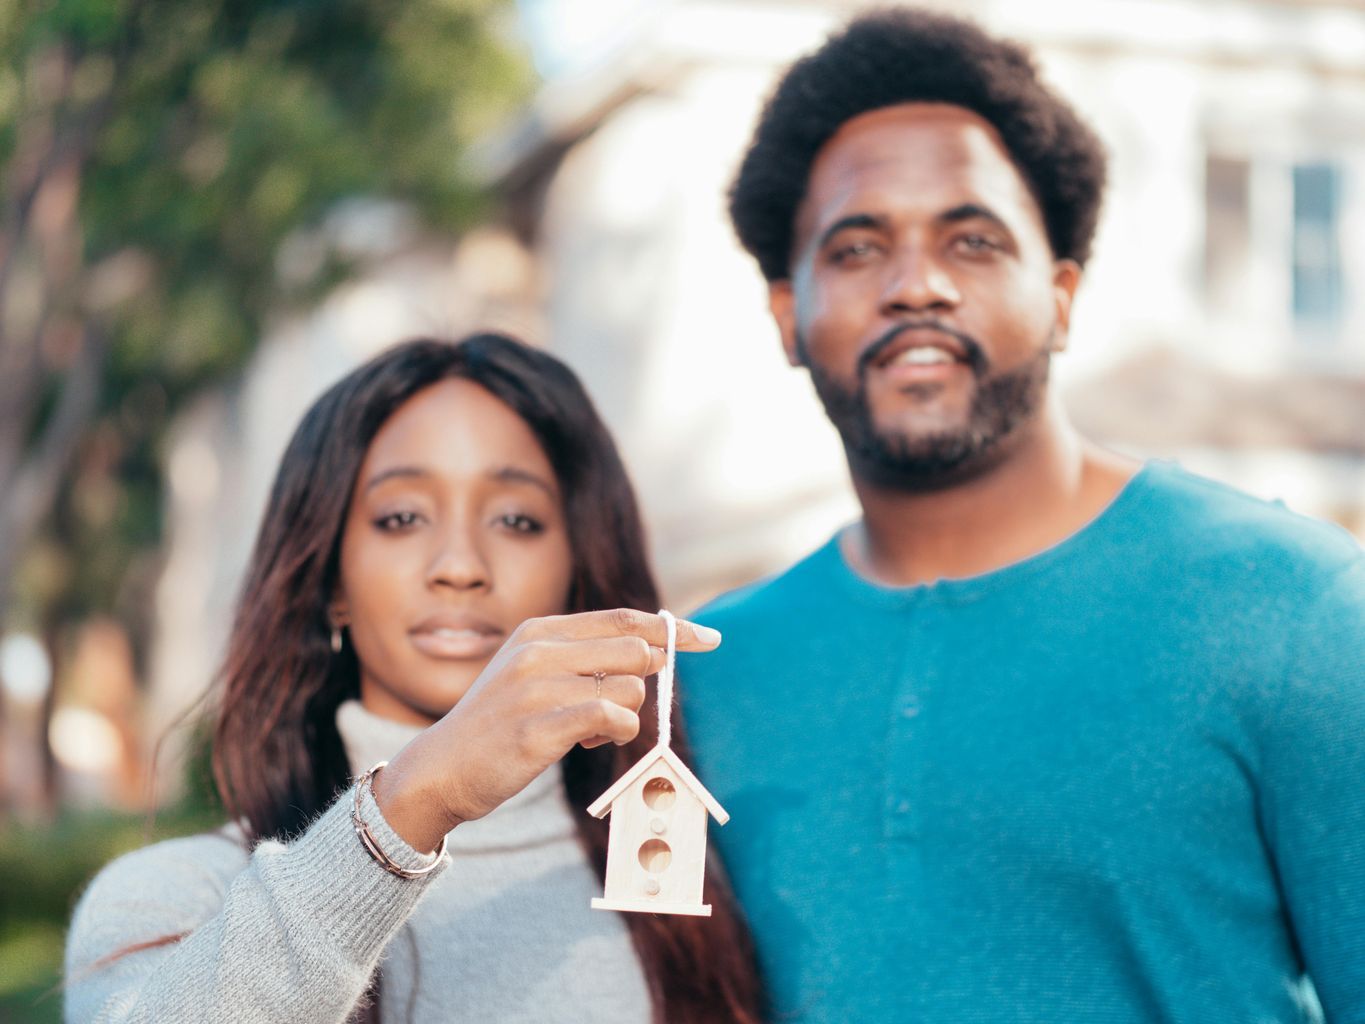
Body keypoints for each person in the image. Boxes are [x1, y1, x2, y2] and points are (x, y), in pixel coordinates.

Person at [678, 8, 1365, 1023]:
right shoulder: (708, 673)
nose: (918, 285)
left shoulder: (1297, 610)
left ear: (1062, 294)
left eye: (973, 239)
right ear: (789, 314)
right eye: (859, 248)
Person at [65, 335, 766, 1023]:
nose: (459, 563)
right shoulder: (176, 895)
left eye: (516, 520)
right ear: (330, 580)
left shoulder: (682, 880)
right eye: (401, 518)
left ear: (577, 574)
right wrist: (415, 799)